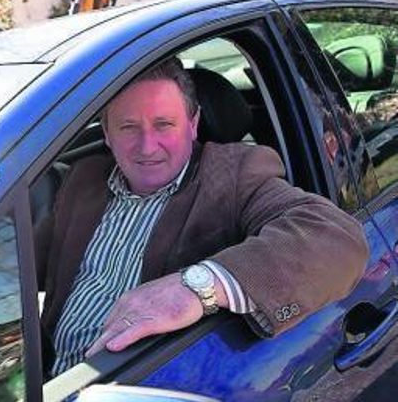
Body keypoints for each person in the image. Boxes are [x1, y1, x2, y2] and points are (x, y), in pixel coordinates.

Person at [36, 57, 369, 377]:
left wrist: (197, 286)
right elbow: (21, 267)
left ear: (193, 125)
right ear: (106, 133)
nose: (147, 146)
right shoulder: (82, 180)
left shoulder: (236, 173)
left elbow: (337, 238)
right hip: (48, 378)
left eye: (164, 124)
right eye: (128, 127)